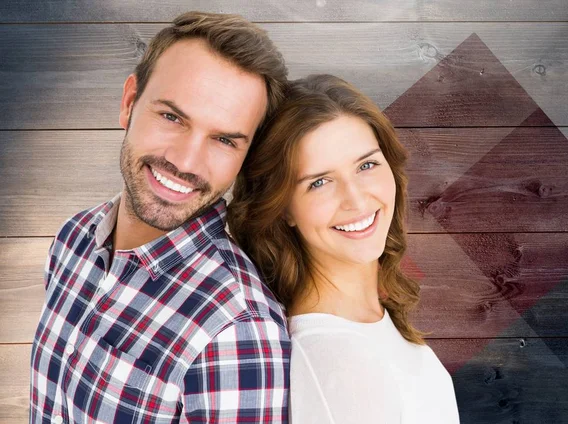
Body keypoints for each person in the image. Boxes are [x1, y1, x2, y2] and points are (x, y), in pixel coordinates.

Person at [30, 12, 291, 424]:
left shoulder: (236, 331)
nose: (185, 161)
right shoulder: (73, 238)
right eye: (172, 117)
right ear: (129, 102)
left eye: (224, 140)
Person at [228, 74, 460, 423]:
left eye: (366, 165)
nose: (356, 199)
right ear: (284, 207)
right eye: (320, 182)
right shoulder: (334, 362)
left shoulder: (366, 326)